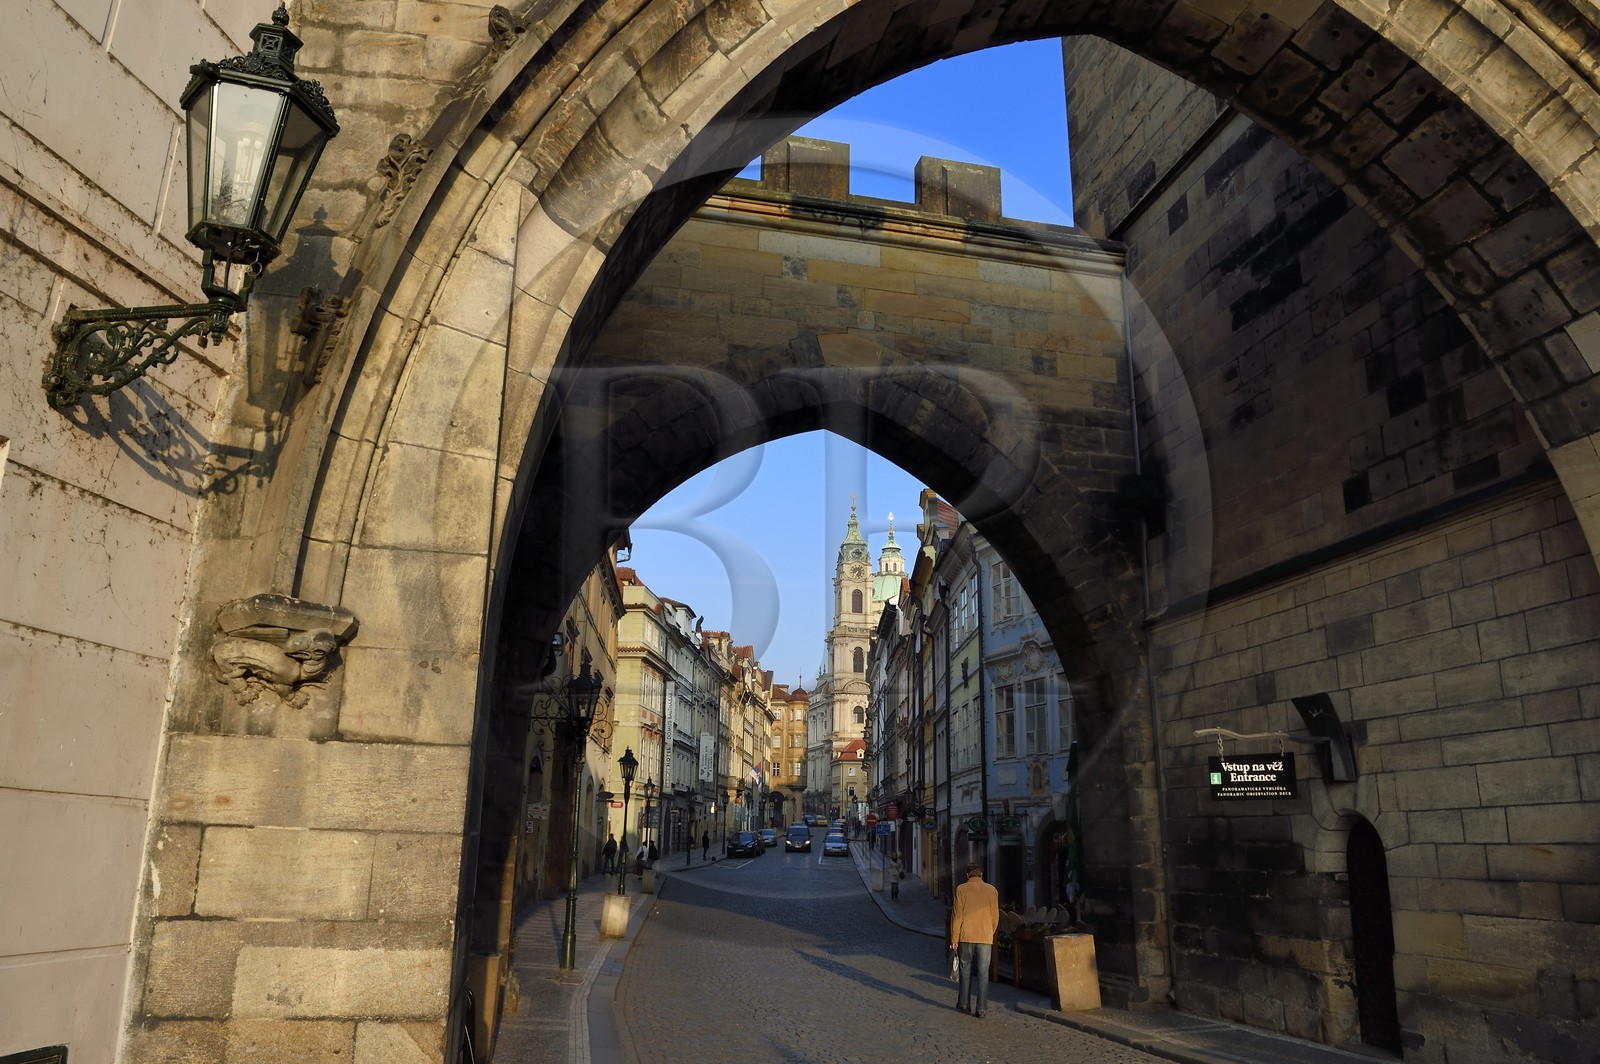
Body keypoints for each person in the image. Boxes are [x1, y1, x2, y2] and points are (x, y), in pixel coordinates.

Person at [949, 862, 1000, 1018]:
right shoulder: (992, 890)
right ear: (981, 875)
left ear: (967, 875)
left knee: (965, 970)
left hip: (966, 935)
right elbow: (995, 917)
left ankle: (964, 1004)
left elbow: (957, 916)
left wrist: (954, 938)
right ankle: (981, 1009)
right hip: (985, 937)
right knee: (983, 973)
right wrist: (990, 931)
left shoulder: (961, 889)